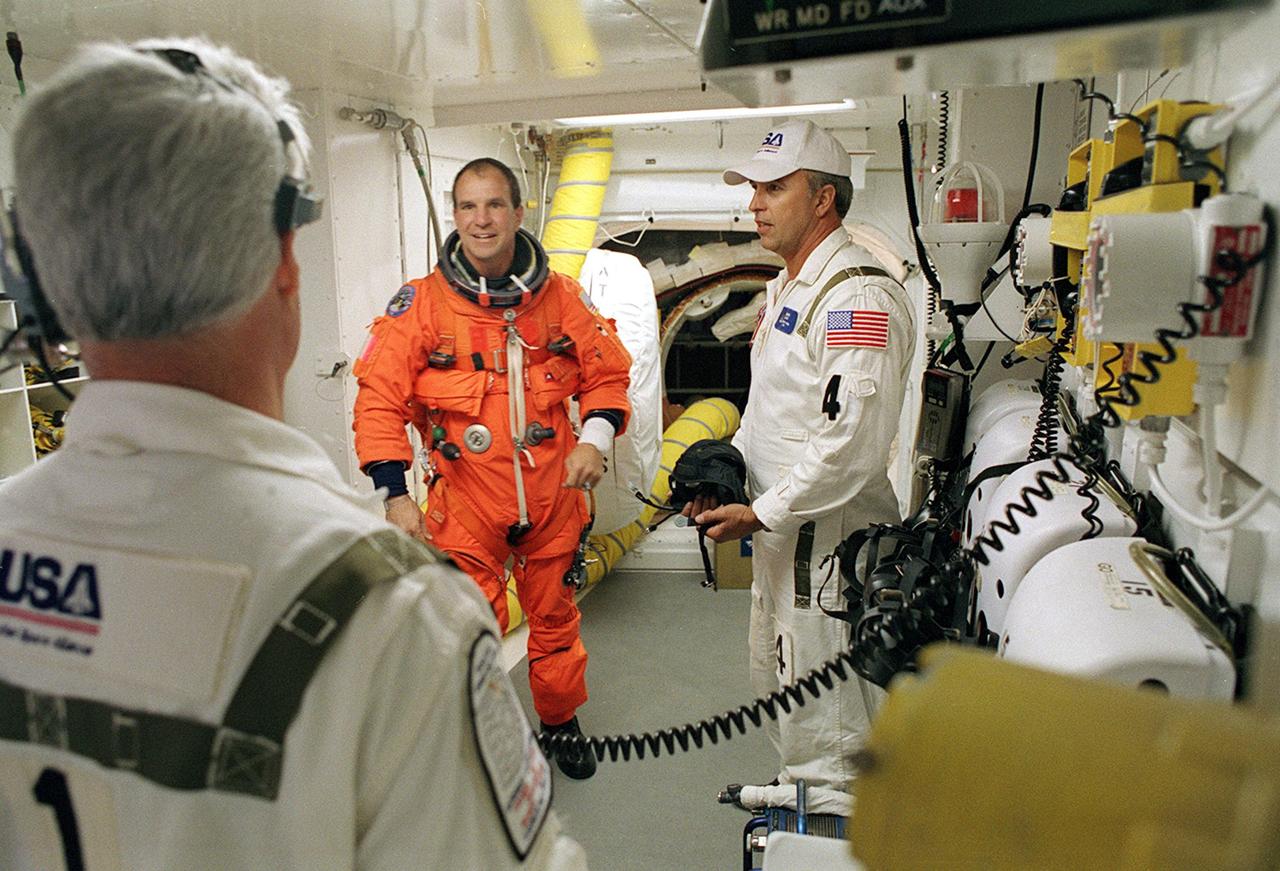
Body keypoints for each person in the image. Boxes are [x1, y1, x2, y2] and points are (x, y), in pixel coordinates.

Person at [0, 38, 585, 870]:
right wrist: (394, 490)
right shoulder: (392, 614)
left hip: (544, 507)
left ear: (41, 273)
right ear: (283, 259)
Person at [352, 158, 631, 781]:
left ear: (518, 213)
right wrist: (394, 495)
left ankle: (560, 723)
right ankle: (479, 737)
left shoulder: (560, 299)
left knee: (556, 622)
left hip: (553, 498)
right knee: (469, 630)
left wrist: (594, 435)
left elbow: (608, 372)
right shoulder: (421, 306)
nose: (481, 220)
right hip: (468, 504)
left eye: (494, 206)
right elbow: (378, 400)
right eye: (469, 207)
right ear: (454, 216)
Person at [683, 119, 916, 816]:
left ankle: (835, 827)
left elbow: (851, 443)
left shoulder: (856, 297)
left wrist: (762, 511)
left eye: (774, 187)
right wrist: (729, 475)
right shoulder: (788, 289)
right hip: (784, 540)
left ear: (823, 199)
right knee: (788, 692)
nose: (756, 203)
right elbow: (776, 410)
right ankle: (805, 800)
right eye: (754, 188)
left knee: (833, 720)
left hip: (828, 547)